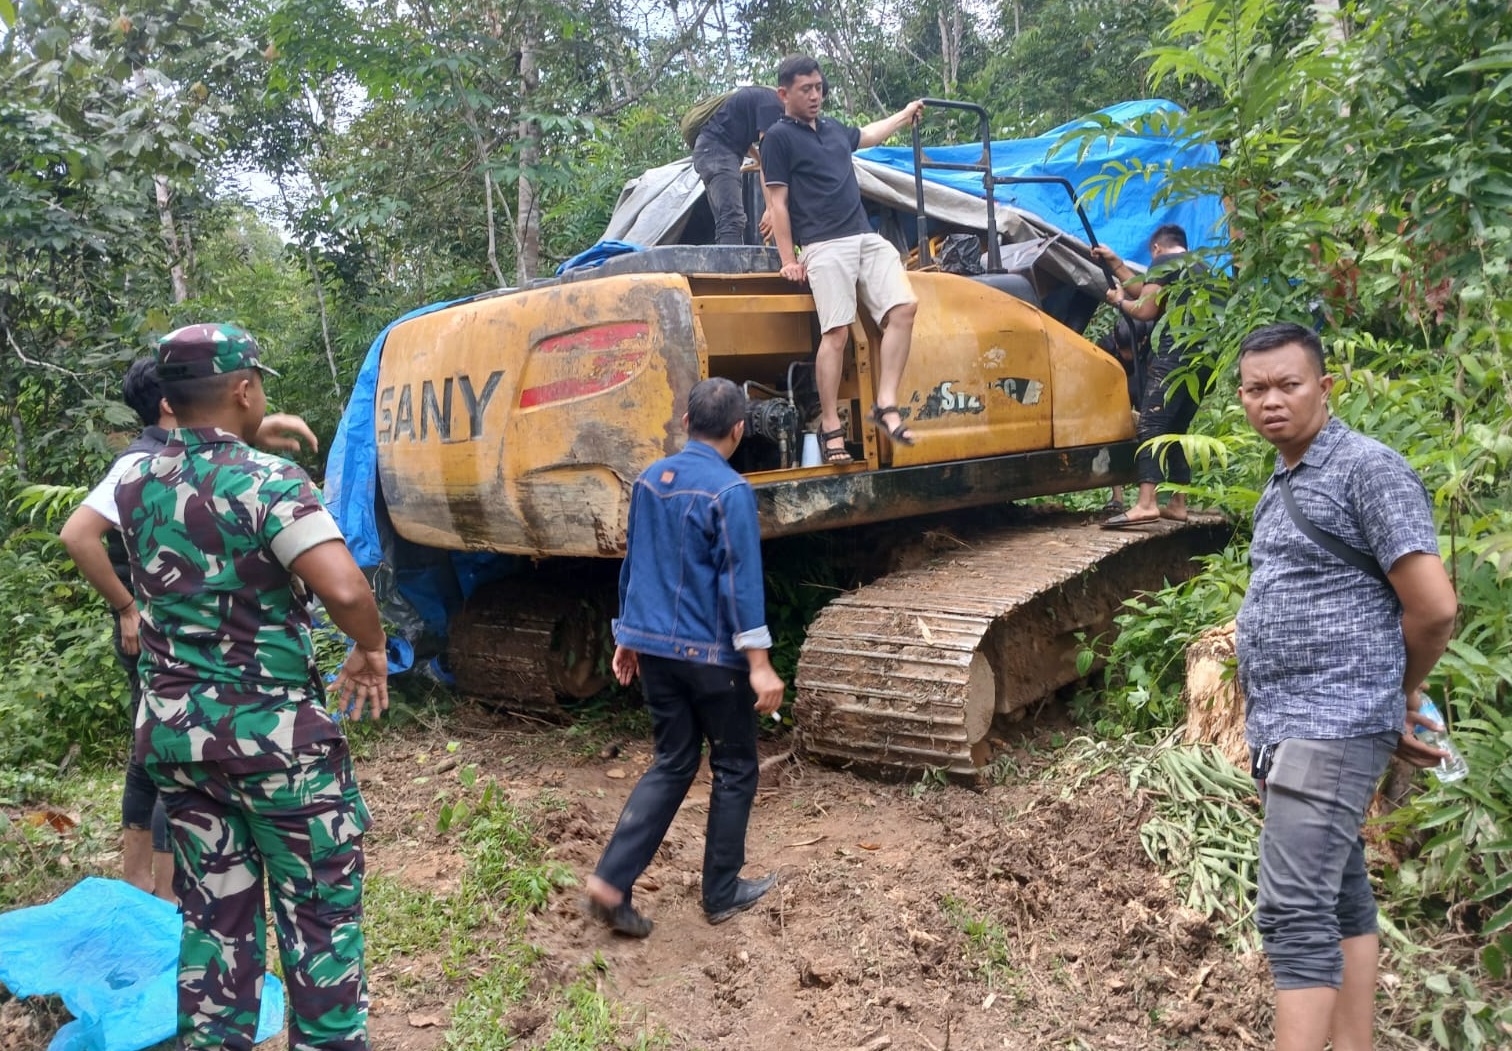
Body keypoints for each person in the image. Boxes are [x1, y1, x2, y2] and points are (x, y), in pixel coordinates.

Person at [116, 323, 389, 1050]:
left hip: (178, 739)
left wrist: (238, 431)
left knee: (216, 920)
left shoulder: (135, 481)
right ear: (243, 389)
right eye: (256, 383)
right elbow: (343, 585)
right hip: (276, 747)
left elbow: (194, 462)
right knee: (320, 917)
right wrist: (370, 646)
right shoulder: (269, 481)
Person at [1233, 322, 1458, 1051]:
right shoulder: (1284, 480)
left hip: (1332, 722)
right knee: (1337, 894)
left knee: (1294, 911)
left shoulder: (1368, 469)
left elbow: (1434, 606)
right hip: (1290, 723)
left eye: (1288, 385)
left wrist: (1402, 693)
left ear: (1325, 387)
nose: (1272, 401)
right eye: (1256, 389)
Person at [60, 358, 319, 901]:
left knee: (153, 752)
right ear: (170, 402)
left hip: (173, 635)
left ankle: (146, 885)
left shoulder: (172, 453)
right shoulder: (144, 463)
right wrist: (128, 606)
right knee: (175, 756)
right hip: (171, 636)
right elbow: (79, 534)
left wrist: (251, 431)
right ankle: (164, 890)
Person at [584, 378, 785, 937]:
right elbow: (741, 582)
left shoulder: (649, 480)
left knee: (673, 761)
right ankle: (721, 891)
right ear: (739, 429)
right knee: (735, 765)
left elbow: (636, 563)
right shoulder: (730, 491)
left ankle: (611, 879)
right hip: (712, 658)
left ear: (685, 422)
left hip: (657, 654)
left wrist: (628, 635)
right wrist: (760, 665)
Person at [762, 54, 924, 463]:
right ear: (785, 94)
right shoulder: (778, 138)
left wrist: (904, 115)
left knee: (905, 307)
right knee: (836, 333)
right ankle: (831, 426)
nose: (815, 95)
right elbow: (777, 203)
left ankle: (886, 404)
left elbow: (868, 135)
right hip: (822, 245)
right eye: (806, 89)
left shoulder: (833, 129)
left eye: (819, 87)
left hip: (863, 238)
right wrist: (788, 258)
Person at [1091, 224, 1210, 527]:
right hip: (1205, 356)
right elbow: (1148, 295)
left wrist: (1118, 301)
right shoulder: (1200, 267)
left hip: (1175, 353)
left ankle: (1146, 503)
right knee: (1176, 427)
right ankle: (1178, 503)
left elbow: (1145, 310)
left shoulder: (1163, 262)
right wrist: (1117, 265)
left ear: (1156, 249)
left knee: (1152, 423)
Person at [691, 85, 784, 246]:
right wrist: (770, 209)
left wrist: (758, 159)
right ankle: (730, 269)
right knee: (732, 218)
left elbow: (741, 135)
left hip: (708, 150)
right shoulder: (774, 104)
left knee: (726, 221)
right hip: (717, 152)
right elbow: (768, 162)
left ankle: (724, 266)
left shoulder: (761, 100)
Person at [1093, 313, 1153, 513]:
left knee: (1148, 434)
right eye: (1121, 349)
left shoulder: (1152, 344)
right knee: (1111, 438)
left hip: (1143, 385)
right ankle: (1117, 496)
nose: (1125, 354)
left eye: (1128, 351)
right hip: (1115, 390)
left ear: (1142, 342)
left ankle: (1147, 496)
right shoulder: (1106, 347)